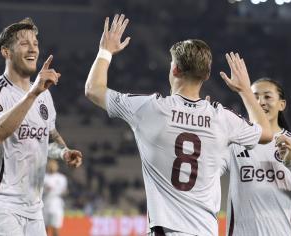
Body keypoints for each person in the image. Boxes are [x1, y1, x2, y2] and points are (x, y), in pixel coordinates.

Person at [84, 14, 273, 236]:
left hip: (168, 229)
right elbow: (266, 133)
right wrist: (245, 91)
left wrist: (105, 50)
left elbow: (93, 90)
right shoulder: (223, 118)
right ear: (207, 75)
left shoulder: (150, 108)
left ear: (174, 70)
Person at [0, 18, 83, 236]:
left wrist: (64, 151)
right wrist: (33, 93)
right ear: (6, 52)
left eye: (35, 43)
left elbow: (48, 137)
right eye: (24, 43)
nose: (33, 48)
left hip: (34, 208)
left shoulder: (45, 96)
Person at [222, 78, 291, 236]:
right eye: (255, 96)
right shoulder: (235, 143)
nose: (261, 102)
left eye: (267, 96)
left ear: (282, 104)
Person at [43, 160, 68, 236]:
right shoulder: (44, 177)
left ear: (57, 166)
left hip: (56, 204)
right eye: (50, 165)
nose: (52, 166)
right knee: (44, 228)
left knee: (55, 227)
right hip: (45, 204)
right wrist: (45, 189)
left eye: (54, 165)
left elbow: (64, 191)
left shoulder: (61, 178)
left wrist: (63, 191)